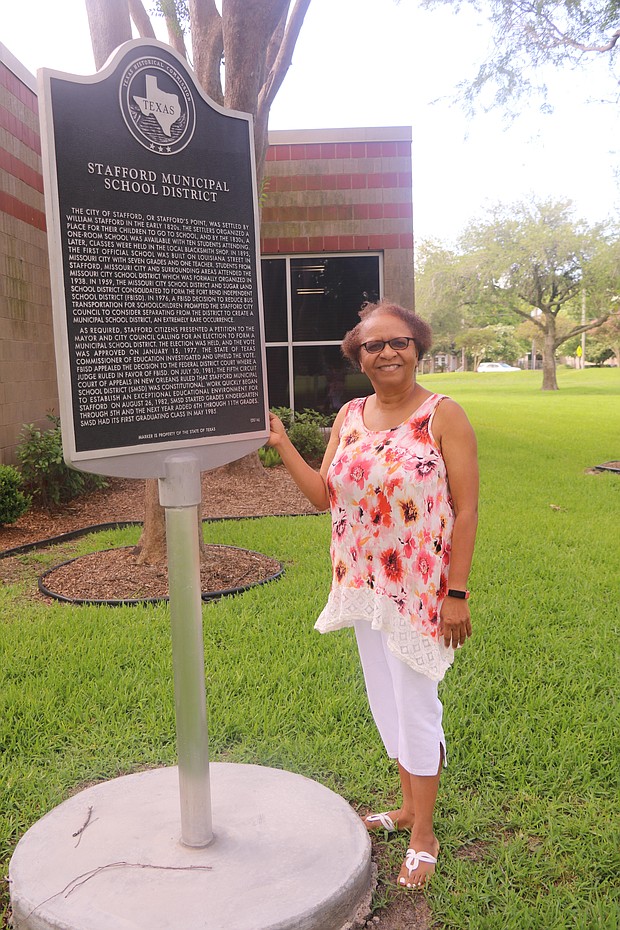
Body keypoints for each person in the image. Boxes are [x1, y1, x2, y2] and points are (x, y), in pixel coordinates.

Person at [267, 299, 478, 890]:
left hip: (419, 590)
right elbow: (321, 495)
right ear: (357, 357)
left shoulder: (444, 415)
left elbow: (466, 511)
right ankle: (408, 807)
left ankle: (424, 834)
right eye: (373, 345)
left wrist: (456, 592)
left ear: (417, 347)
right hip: (363, 582)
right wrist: (284, 444)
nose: (386, 352)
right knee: (385, 699)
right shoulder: (350, 416)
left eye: (398, 342)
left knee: (415, 703)